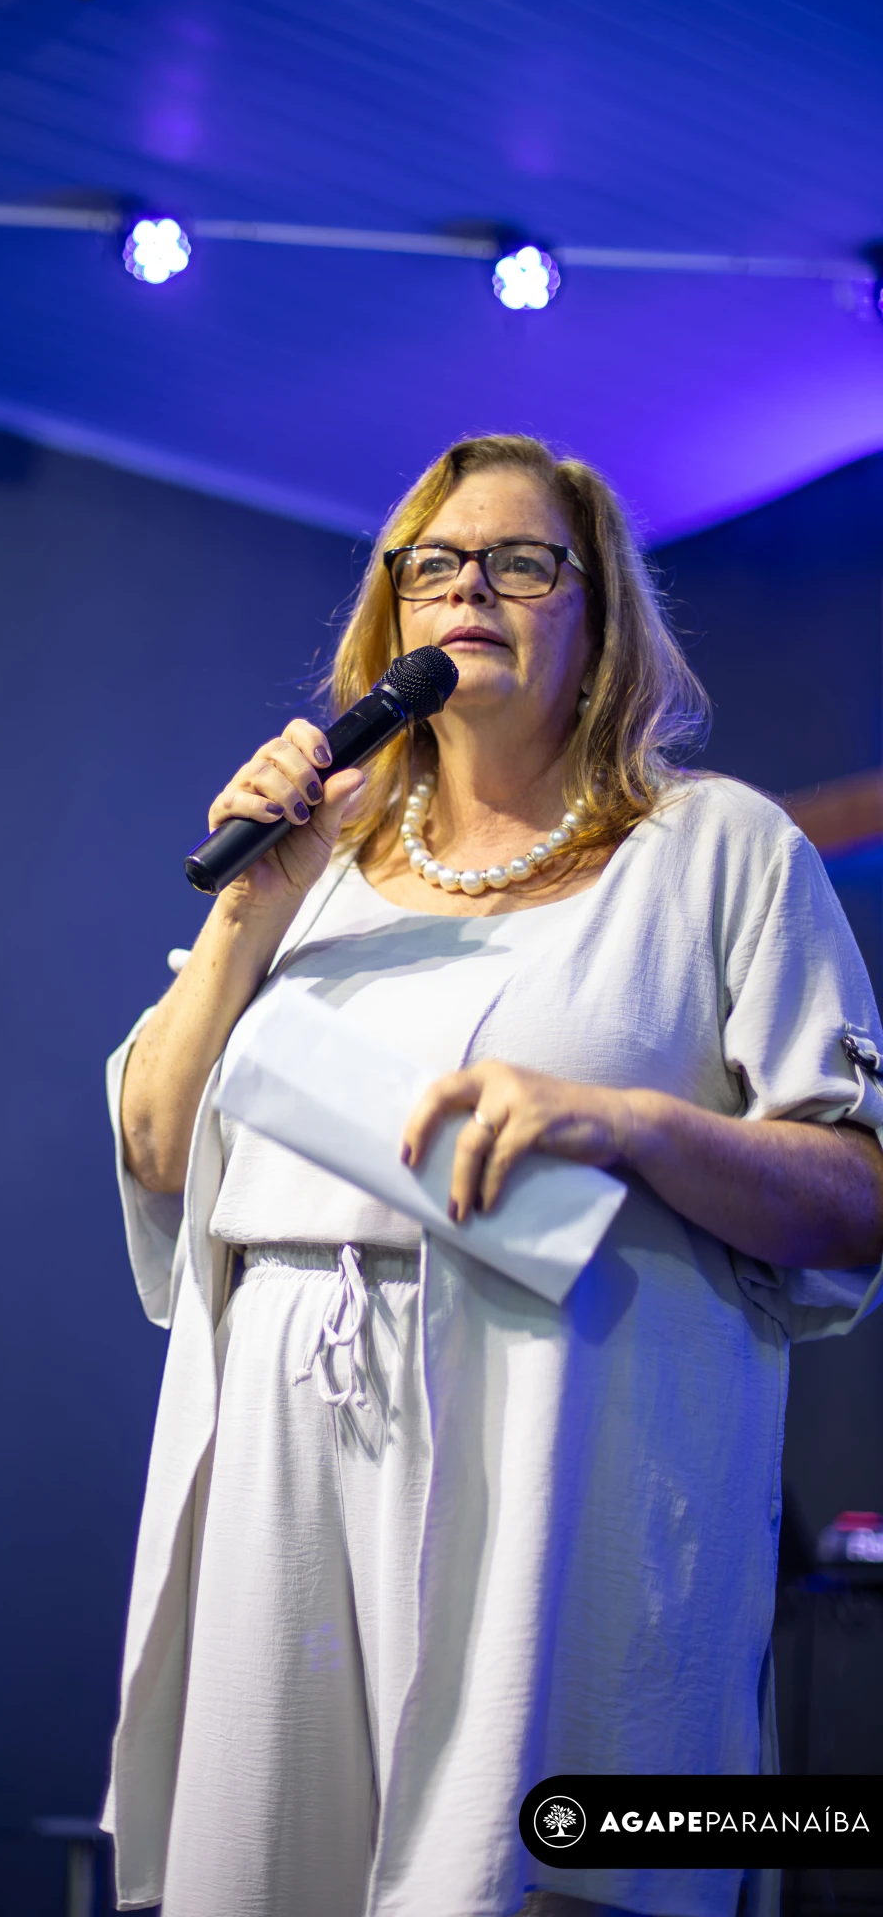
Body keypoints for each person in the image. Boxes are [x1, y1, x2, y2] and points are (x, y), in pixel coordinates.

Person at [102, 434, 883, 1917]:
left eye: (522, 564)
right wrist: (252, 907)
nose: (471, 590)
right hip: (291, 1486)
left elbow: (860, 1192)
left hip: (562, 1483)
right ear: (392, 610)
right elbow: (155, 1143)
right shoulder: (317, 863)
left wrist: (628, 1125)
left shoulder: (715, 850)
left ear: (601, 619)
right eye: (436, 566)